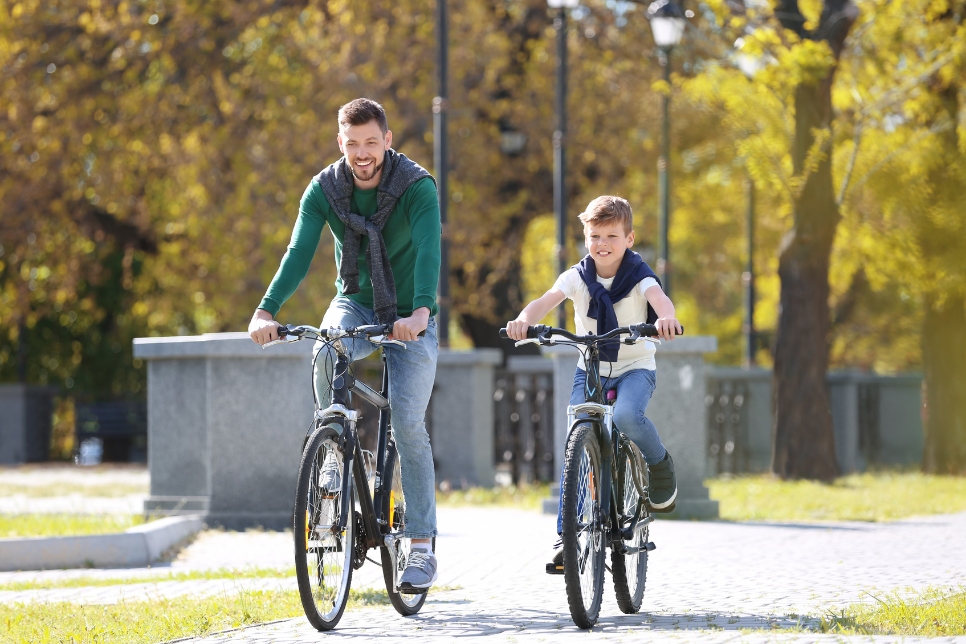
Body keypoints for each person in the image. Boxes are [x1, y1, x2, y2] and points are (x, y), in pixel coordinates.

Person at [249, 98, 440, 591]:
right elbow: (299, 252)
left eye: (371, 143)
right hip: (355, 303)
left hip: (410, 315)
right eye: (352, 143)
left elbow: (427, 250)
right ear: (340, 143)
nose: (362, 153)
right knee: (325, 345)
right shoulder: (325, 190)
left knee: (408, 423)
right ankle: (333, 452)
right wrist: (266, 309)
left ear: (387, 141)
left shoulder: (417, 187)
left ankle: (420, 547)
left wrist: (420, 312)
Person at [504, 195, 681, 568]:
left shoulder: (639, 275)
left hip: (634, 367)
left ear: (629, 239)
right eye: (595, 235)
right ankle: (567, 538)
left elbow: (659, 298)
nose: (603, 244)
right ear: (585, 237)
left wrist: (666, 318)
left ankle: (659, 462)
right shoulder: (577, 276)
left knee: (626, 417)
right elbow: (546, 300)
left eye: (612, 236)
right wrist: (523, 319)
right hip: (592, 368)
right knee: (576, 441)